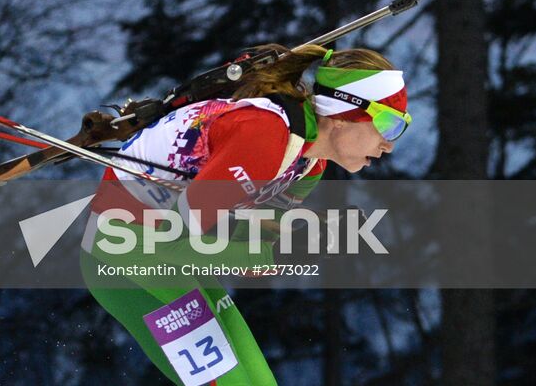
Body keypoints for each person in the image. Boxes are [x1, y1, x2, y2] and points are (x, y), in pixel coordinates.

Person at [83, 44, 411, 385]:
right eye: (388, 124)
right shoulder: (263, 137)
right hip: (124, 254)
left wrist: (314, 232)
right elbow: (173, 247)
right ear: (344, 113)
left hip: (171, 254)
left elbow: (242, 235)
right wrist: (283, 250)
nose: (389, 144)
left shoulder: (309, 165)